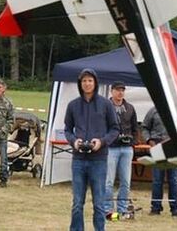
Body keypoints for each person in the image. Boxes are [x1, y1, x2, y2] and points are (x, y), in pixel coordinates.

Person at [64, 68, 119, 231]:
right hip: (79, 160)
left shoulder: (106, 104)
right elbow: (67, 129)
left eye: (90, 80)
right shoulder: (73, 105)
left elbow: (115, 129)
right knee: (77, 203)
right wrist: (74, 141)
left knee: (99, 203)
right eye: (84, 81)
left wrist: (101, 142)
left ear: (95, 83)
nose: (87, 84)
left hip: (98, 160)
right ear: (80, 84)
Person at [104, 81, 138, 220]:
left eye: (122, 90)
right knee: (108, 181)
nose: (120, 92)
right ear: (112, 91)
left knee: (125, 181)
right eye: (118, 90)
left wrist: (132, 141)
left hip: (126, 149)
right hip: (111, 148)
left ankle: (122, 209)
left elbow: (135, 128)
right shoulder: (105, 107)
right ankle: (107, 209)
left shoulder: (129, 108)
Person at [142, 106, 177, 217]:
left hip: (174, 147)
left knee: (174, 180)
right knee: (157, 180)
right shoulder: (153, 110)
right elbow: (145, 127)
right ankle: (155, 208)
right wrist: (149, 140)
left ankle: (175, 209)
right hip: (157, 146)